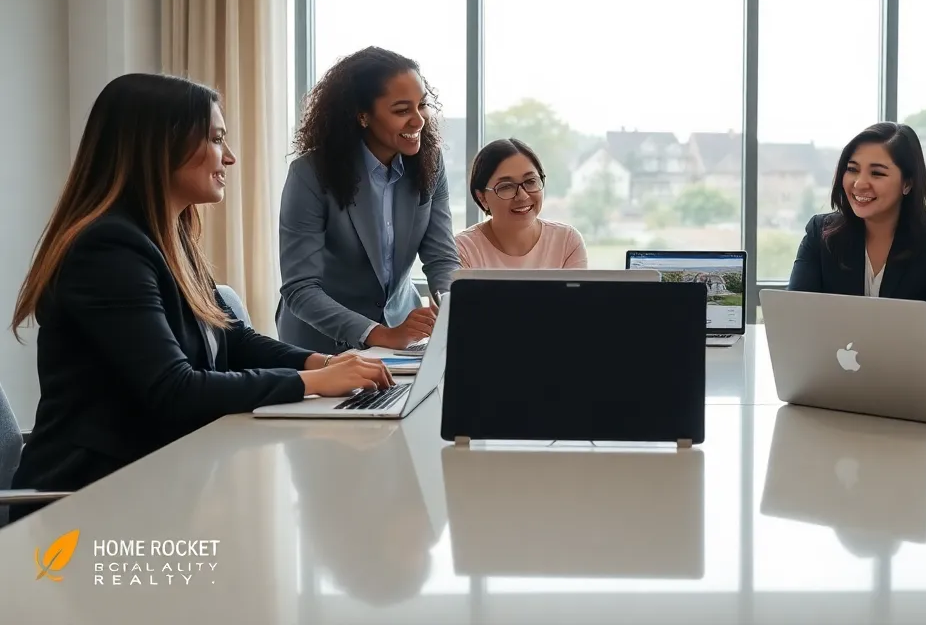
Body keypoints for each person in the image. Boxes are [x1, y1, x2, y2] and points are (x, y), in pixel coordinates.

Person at [7, 73, 392, 514]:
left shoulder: (168, 236)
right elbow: (174, 390)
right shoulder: (107, 249)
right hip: (88, 500)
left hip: (156, 480)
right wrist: (312, 383)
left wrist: (323, 363)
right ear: (160, 146)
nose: (229, 157)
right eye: (216, 139)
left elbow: (232, 337)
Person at [278, 47, 460, 353]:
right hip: (323, 345)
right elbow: (301, 288)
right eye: (402, 110)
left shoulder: (429, 163)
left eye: (422, 105)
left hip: (403, 340)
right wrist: (380, 334)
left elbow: (441, 258)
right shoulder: (310, 174)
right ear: (362, 115)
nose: (418, 121)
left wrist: (455, 308)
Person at [787, 122, 926, 334]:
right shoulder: (820, 232)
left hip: (907, 356)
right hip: (831, 356)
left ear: (907, 183)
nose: (859, 183)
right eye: (852, 169)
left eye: (877, 173)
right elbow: (795, 314)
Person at [455, 138, 587, 269]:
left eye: (530, 181)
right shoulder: (462, 249)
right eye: (506, 186)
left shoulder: (566, 241)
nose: (523, 196)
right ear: (482, 197)